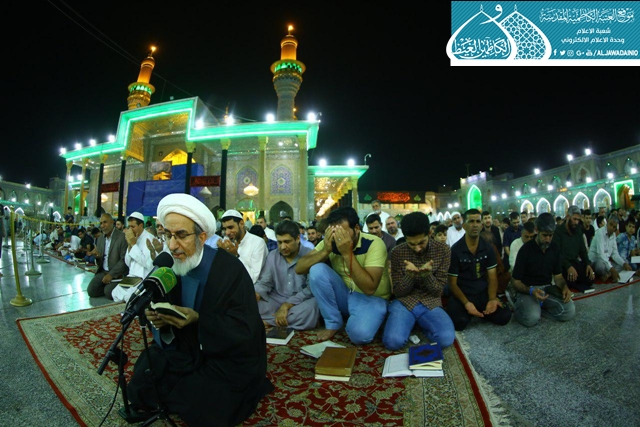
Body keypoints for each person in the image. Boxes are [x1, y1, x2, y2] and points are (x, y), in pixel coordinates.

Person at [127, 193, 273, 426]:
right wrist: (158, 318)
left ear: (202, 237)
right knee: (142, 381)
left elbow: (245, 328)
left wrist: (199, 319)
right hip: (182, 348)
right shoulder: (170, 265)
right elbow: (161, 310)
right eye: (168, 235)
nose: (172, 245)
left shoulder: (228, 270)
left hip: (222, 354)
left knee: (201, 407)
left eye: (181, 235)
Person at [295, 206, 391, 343]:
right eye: (334, 232)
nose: (338, 238)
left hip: (373, 299)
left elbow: (369, 289)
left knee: (359, 336)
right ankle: (333, 322)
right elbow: (299, 268)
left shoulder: (374, 244)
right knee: (317, 269)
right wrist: (325, 251)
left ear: (356, 228)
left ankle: (371, 316)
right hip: (346, 294)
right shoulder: (331, 242)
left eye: (343, 233)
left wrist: (347, 253)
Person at [382, 211, 455, 351]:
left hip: (430, 301)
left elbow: (438, 291)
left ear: (429, 233)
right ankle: (411, 323)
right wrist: (409, 276)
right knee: (393, 342)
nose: (417, 248)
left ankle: (416, 324)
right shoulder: (397, 252)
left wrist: (427, 275)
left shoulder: (443, 250)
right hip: (404, 302)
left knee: (445, 339)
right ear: (405, 237)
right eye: (411, 244)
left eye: (421, 242)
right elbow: (398, 292)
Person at [446, 209, 512, 331]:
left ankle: (478, 311)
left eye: (478, 221)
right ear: (464, 226)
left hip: (482, 293)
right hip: (463, 294)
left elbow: (492, 277)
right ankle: (471, 311)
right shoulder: (455, 250)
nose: (475, 225)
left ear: (482, 225)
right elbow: (452, 284)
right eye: (471, 221)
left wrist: (492, 299)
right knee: (459, 322)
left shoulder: (488, 248)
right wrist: (466, 303)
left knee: (505, 316)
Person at [509, 213, 576, 327]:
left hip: (546, 289)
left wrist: (565, 287)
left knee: (569, 310)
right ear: (536, 230)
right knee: (531, 319)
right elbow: (516, 281)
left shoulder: (554, 248)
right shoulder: (525, 250)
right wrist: (531, 291)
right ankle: (522, 306)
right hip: (528, 290)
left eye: (550, 235)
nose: (548, 239)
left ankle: (539, 309)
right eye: (544, 235)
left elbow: (558, 276)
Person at [254, 220, 319, 330]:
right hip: (276, 300)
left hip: (300, 302)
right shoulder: (272, 256)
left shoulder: (309, 255)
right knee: (251, 304)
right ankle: (282, 321)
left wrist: (287, 305)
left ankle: (268, 321)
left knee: (312, 307)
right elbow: (265, 283)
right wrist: (256, 293)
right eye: (279, 242)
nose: (283, 247)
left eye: (287, 242)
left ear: (297, 239)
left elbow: (310, 289)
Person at [552, 205, 596, 291]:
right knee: (567, 279)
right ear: (568, 217)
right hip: (563, 264)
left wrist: (588, 264)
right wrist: (568, 267)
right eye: (574, 219)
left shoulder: (578, 231)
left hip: (575, 263)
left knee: (590, 277)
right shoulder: (558, 231)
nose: (576, 222)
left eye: (578, 220)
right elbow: (557, 254)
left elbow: (583, 251)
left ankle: (575, 281)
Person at [218, 209, 268, 283]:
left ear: (241, 224)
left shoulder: (258, 243)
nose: (227, 232)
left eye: (231, 227)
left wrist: (235, 256)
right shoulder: (227, 242)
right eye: (225, 229)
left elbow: (253, 278)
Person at [86, 214, 129, 299]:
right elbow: (100, 261)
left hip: (117, 273)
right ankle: (109, 286)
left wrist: (111, 274)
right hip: (103, 272)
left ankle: (113, 286)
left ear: (112, 222)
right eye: (101, 223)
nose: (102, 226)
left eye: (105, 222)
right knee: (91, 291)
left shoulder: (122, 237)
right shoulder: (100, 239)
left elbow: (124, 260)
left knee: (108, 292)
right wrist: (97, 257)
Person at [589, 214, 627, 282]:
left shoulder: (613, 235)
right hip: (595, 261)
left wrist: (623, 263)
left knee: (624, 263)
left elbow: (615, 254)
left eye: (614, 227)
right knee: (600, 266)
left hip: (606, 261)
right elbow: (600, 254)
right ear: (607, 221)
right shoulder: (600, 233)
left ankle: (608, 274)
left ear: (616, 228)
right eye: (610, 224)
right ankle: (608, 273)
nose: (611, 228)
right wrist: (611, 268)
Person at [124, 212, 158, 279]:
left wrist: (133, 244)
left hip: (144, 278)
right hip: (131, 276)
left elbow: (147, 264)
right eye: (129, 227)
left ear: (141, 226)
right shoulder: (132, 238)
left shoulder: (149, 238)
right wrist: (129, 245)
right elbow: (127, 263)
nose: (130, 230)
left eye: (133, 227)